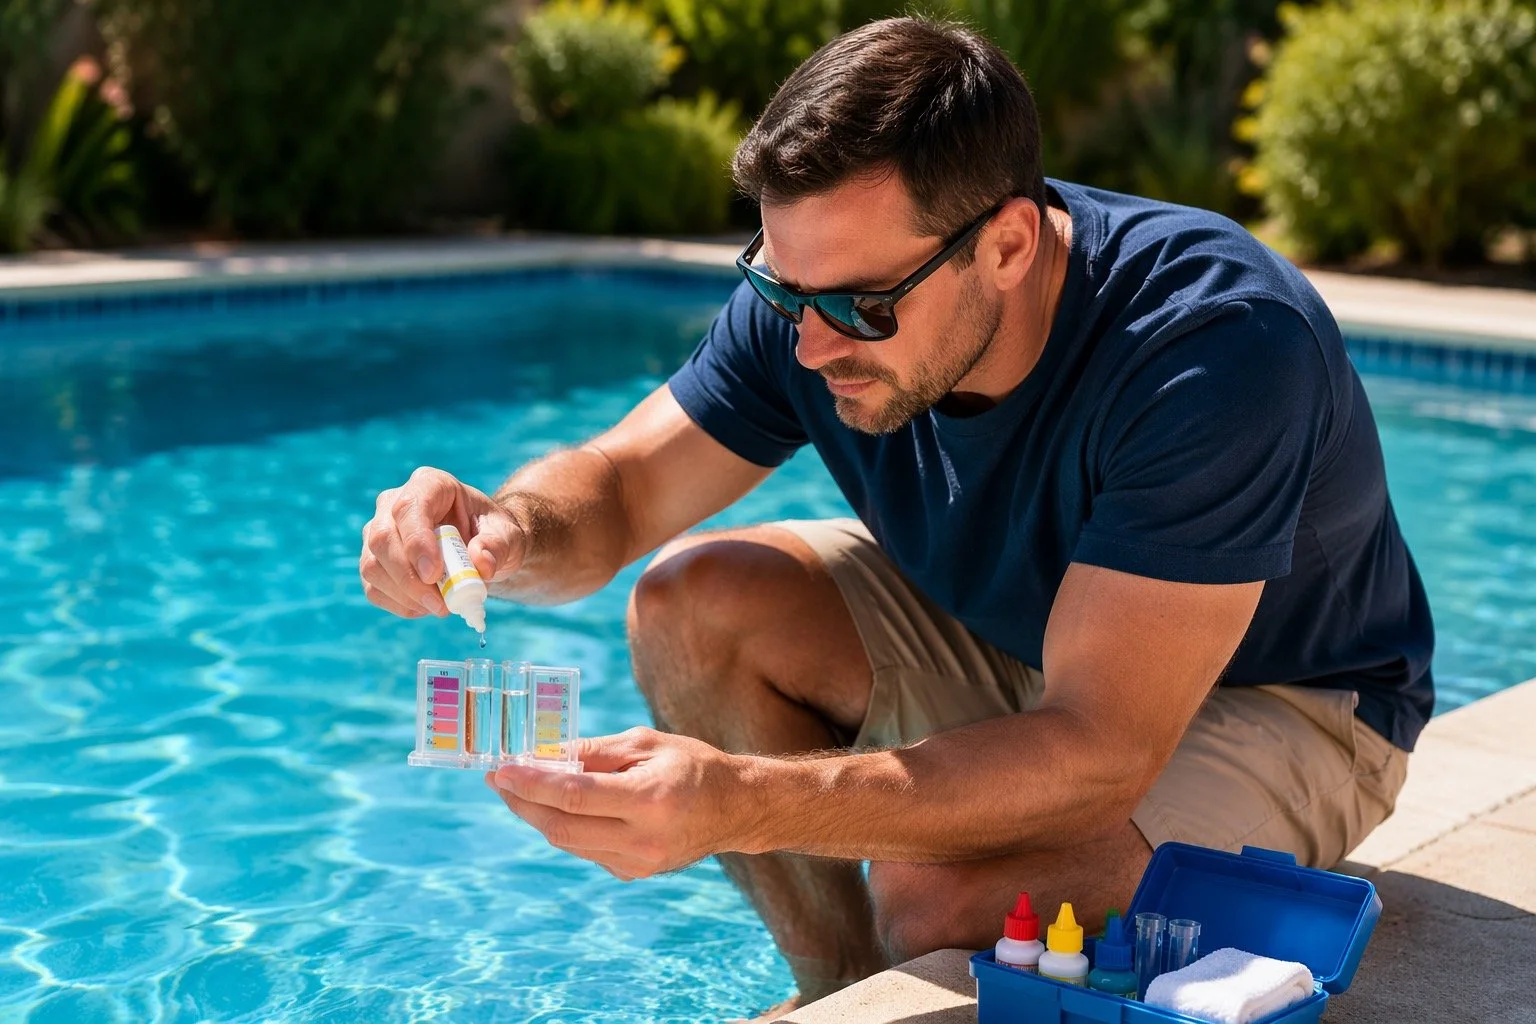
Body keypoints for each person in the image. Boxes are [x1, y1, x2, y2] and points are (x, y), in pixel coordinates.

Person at [358, 15, 1434, 1020]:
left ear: (1009, 246)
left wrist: (735, 799)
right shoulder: (824, 294)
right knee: (694, 601)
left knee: (934, 896)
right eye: (783, 294)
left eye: (862, 308)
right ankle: (838, 985)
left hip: (1279, 695)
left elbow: (1099, 747)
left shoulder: (1211, 345)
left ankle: (898, 951)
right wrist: (503, 528)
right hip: (1029, 634)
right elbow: (626, 485)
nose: (813, 345)